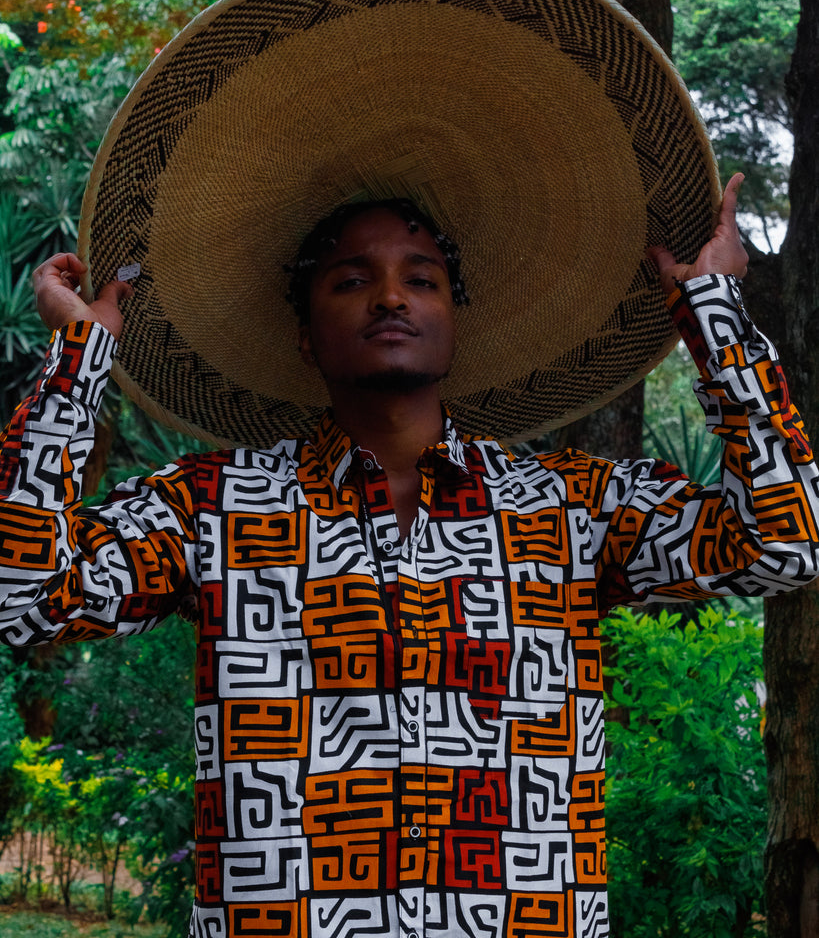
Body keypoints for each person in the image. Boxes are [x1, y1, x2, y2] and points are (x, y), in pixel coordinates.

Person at [2, 170, 818, 938]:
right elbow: (22, 598)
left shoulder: (572, 508)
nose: (390, 296)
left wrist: (710, 307)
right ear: (303, 332)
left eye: (421, 279)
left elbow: (786, 541)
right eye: (351, 280)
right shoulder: (211, 507)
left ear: (455, 320)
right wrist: (79, 356)